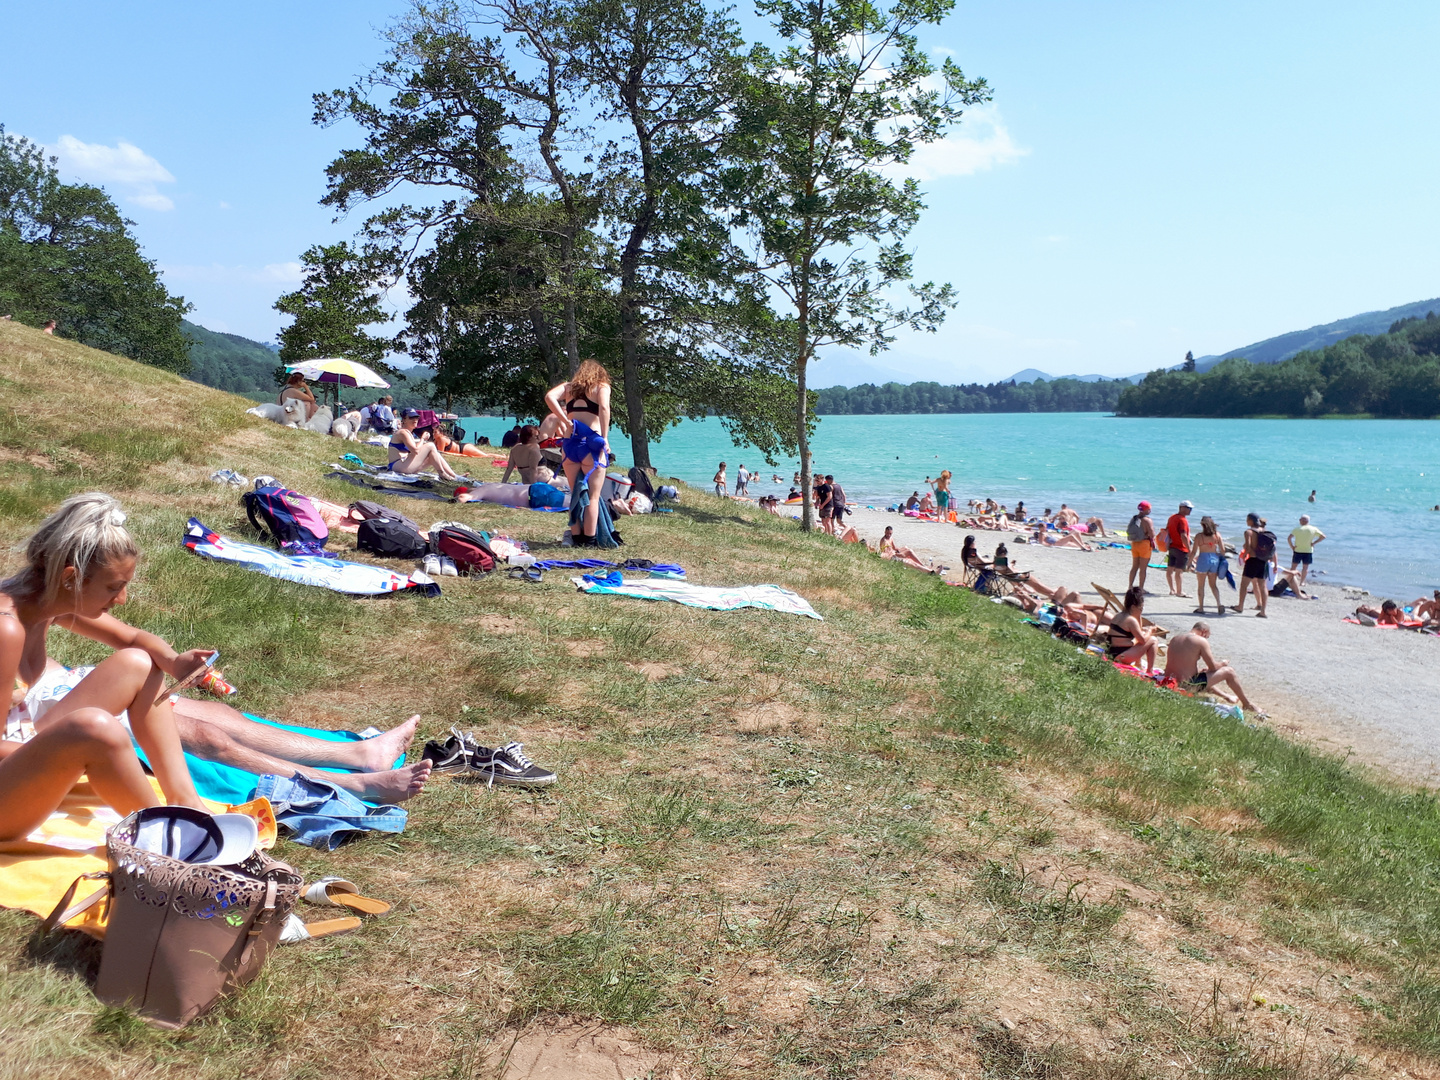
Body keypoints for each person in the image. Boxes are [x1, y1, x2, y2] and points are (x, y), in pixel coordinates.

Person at [1, 493, 208, 834]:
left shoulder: (44, 600)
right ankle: (169, 839)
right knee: (94, 729)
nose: (122, 599)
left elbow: (131, 639)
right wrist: (65, 752)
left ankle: (186, 802)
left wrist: (174, 661)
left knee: (139, 664)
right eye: (114, 587)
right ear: (71, 578)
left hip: (20, 747)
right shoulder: (6, 628)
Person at [544, 359, 613, 545]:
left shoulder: (568, 388)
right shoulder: (601, 387)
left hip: (570, 445)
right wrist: (605, 437)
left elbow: (549, 397)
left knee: (575, 492)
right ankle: (589, 539)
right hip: (591, 445)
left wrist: (564, 420)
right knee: (593, 496)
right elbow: (604, 408)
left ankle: (576, 535)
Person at [1163, 622, 1262, 715]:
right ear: (1204, 632)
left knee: (1203, 673)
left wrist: (1205, 670)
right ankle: (1247, 704)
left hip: (1169, 681)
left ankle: (1226, 696)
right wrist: (1223, 663)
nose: (1206, 638)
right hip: (1185, 685)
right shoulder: (1200, 640)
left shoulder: (1176, 638)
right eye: (1207, 636)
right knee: (1229, 671)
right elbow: (1213, 667)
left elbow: (1183, 665)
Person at [389, 409, 461, 480]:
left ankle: (454, 476)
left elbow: (415, 449)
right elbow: (415, 451)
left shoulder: (408, 432)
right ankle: (442, 474)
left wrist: (422, 443)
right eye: (411, 418)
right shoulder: (403, 432)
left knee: (434, 454)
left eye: (416, 417)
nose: (415, 420)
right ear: (404, 420)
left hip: (404, 464)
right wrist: (423, 439)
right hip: (398, 466)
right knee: (430, 445)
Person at [1105, 586, 1158, 671]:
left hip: (1111, 652)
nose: (1141, 610)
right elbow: (1143, 640)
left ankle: (1138, 663)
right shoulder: (1130, 620)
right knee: (1153, 639)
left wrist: (1138, 615)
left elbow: (1139, 631)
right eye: (1140, 608)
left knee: (1138, 639)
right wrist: (1150, 630)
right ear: (1133, 607)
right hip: (1121, 655)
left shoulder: (1118, 615)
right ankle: (1150, 670)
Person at [1232, 513, 1275, 618]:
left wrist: (1243, 556)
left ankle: (1240, 606)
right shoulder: (1264, 531)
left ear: (1251, 521)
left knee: (1244, 585)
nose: (1246, 522)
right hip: (1263, 561)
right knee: (1262, 586)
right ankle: (1263, 611)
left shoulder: (1249, 532)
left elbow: (1248, 547)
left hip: (1253, 560)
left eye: (1247, 520)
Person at [1191, 516, 1226, 615]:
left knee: (1201, 585)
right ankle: (1219, 604)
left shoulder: (1199, 536)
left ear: (1202, 525)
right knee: (1213, 585)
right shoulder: (1217, 535)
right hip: (1214, 560)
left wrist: (1189, 563)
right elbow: (1223, 550)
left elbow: (1193, 552)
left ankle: (1201, 608)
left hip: (1203, 560)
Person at [1164, 501, 1194, 598]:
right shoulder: (1182, 520)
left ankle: (1172, 589)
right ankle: (1179, 591)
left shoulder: (1172, 517)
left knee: (1170, 569)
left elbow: (1167, 530)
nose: (1190, 510)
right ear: (1182, 508)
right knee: (1179, 571)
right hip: (1181, 548)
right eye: (1189, 508)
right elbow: (1184, 535)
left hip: (1172, 546)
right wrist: (1189, 549)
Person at [1287, 515, 1326, 589]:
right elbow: (1323, 536)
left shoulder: (1297, 529)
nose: (1299, 521)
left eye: (1300, 520)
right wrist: (1314, 543)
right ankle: (1302, 582)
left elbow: (1289, 538)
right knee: (1305, 568)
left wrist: (1292, 546)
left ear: (1302, 521)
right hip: (1308, 551)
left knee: (1293, 567)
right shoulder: (1313, 529)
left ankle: (1290, 581)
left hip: (1298, 550)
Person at [1126, 501, 1156, 593]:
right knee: (1143, 569)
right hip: (1144, 544)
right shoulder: (1147, 520)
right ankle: (1141, 588)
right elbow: (1151, 534)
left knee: (1134, 566)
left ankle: (1130, 586)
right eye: (1149, 508)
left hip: (1135, 543)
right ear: (1146, 509)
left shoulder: (1135, 518)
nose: (1150, 510)